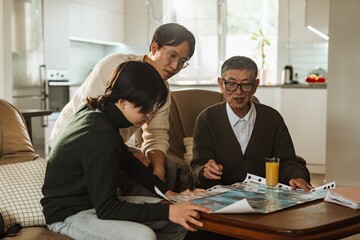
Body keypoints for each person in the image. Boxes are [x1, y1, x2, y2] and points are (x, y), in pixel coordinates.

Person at [41, 61, 211, 240]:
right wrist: (168, 210)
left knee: (179, 217)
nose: (149, 116)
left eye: (153, 109)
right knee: (143, 236)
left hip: (92, 205)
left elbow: (128, 162)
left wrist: (169, 195)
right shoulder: (99, 134)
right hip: (68, 215)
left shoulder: (100, 112)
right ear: (122, 102)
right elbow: (108, 208)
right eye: (145, 109)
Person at [48, 23, 196, 192]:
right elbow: (90, 118)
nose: (175, 66)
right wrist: (126, 151)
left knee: (168, 166)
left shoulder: (163, 89)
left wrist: (158, 169)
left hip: (110, 144)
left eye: (182, 62)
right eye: (172, 55)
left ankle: (169, 205)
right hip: (78, 142)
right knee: (135, 173)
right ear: (154, 47)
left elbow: (156, 134)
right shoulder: (116, 65)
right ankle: (146, 210)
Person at [190, 56, 313, 192]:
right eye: (231, 84)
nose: (238, 92)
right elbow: (197, 168)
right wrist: (205, 171)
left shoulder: (272, 118)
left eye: (246, 85)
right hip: (221, 198)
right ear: (221, 84)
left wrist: (295, 176)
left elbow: (286, 162)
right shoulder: (206, 119)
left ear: (255, 86)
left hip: (264, 198)